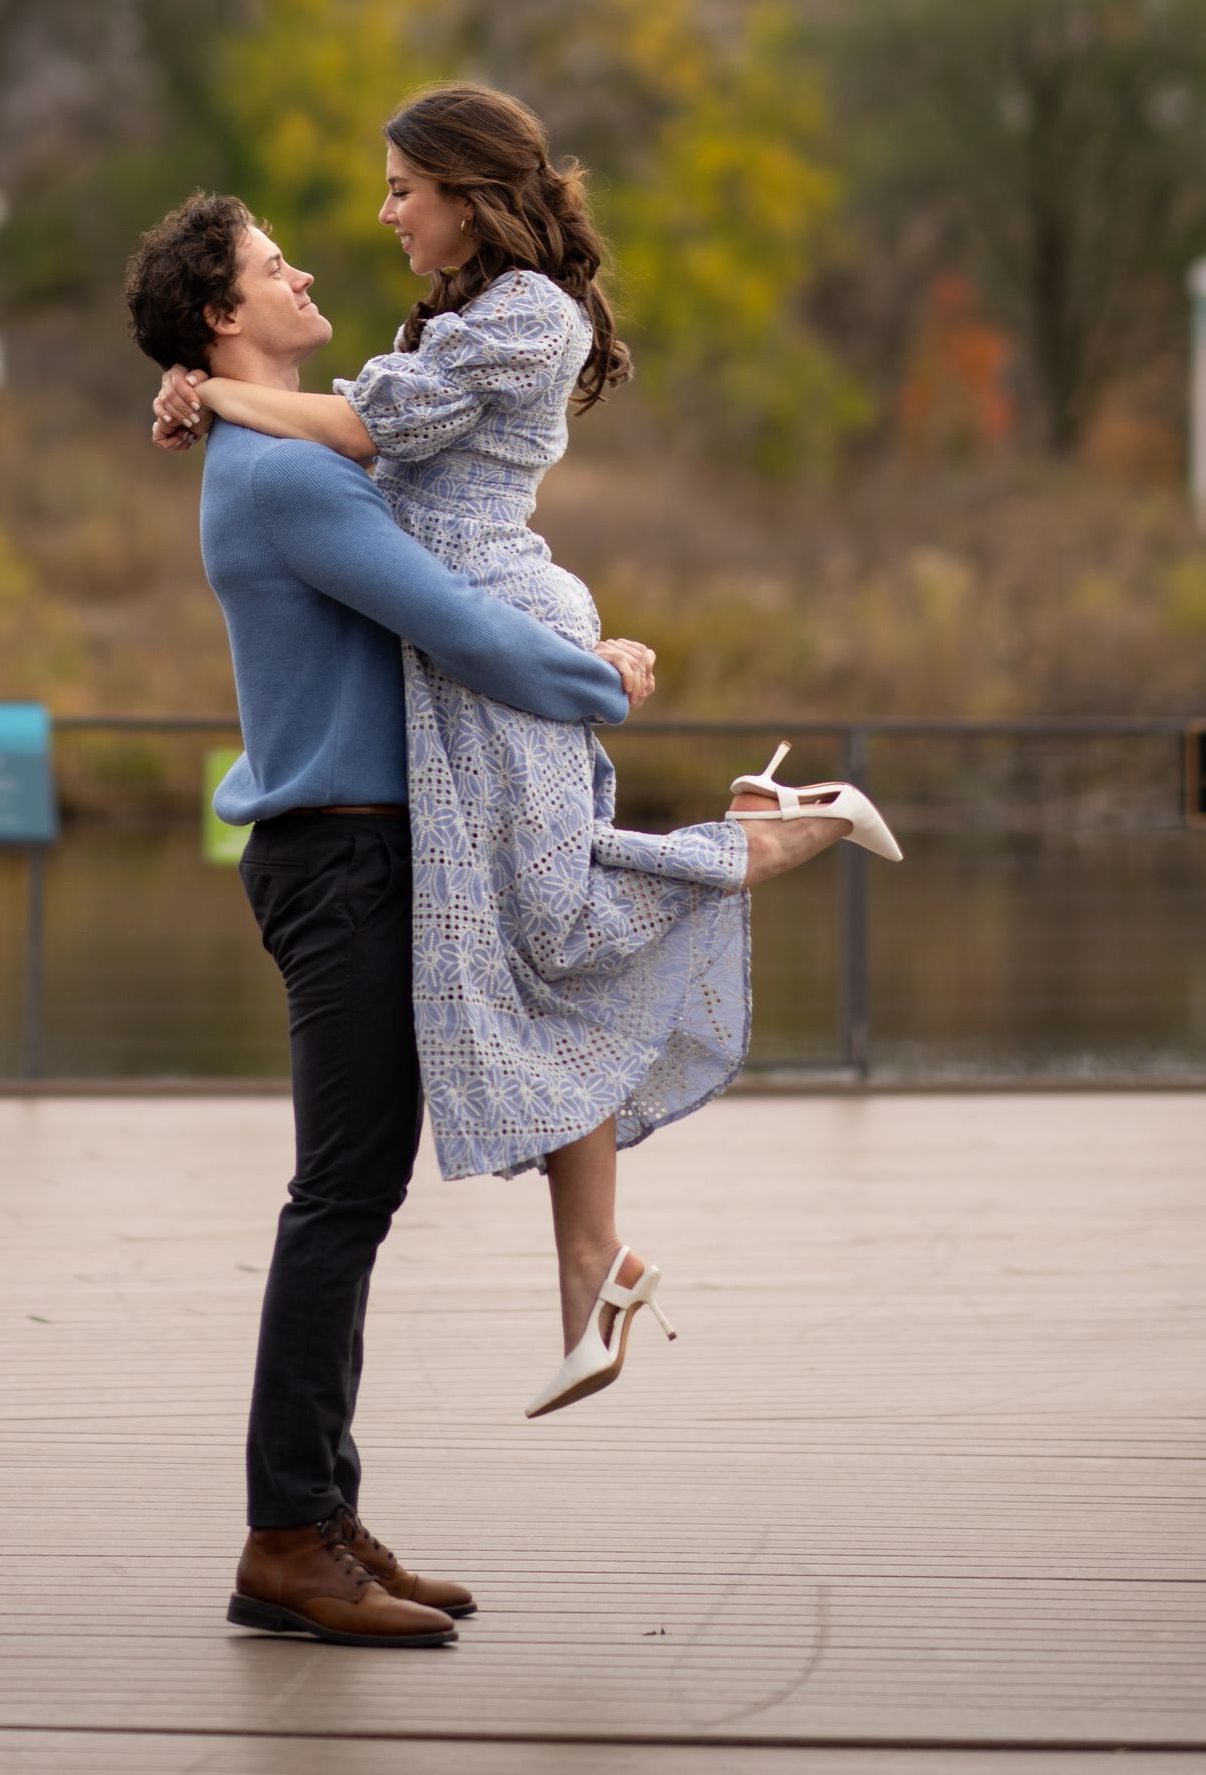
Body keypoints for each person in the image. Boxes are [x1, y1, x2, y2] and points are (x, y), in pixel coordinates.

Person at [148, 86, 901, 1435]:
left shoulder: (524, 316)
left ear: (467, 188)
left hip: (495, 629)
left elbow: (368, 443)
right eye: (281, 258)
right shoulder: (433, 330)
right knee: (533, 932)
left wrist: (584, 676)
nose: (372, 219)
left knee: (549, 923)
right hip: (469, 653)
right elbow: (354, 442)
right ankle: (589, 1265)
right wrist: (213, 398)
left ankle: (764, 837)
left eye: (399, 188)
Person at [124, 187, 661, 1649]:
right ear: (228, 316)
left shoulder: (273, 445)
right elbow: (455, 624)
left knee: (350, 1202)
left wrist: (198, 393)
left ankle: (322, 1515)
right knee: (340, 1202)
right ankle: (285, 1540)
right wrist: (593, 681)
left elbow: (399, 446)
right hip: (344, 860)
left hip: (365, 855)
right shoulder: (287, 479)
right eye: (270, 266)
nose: (307, 268)